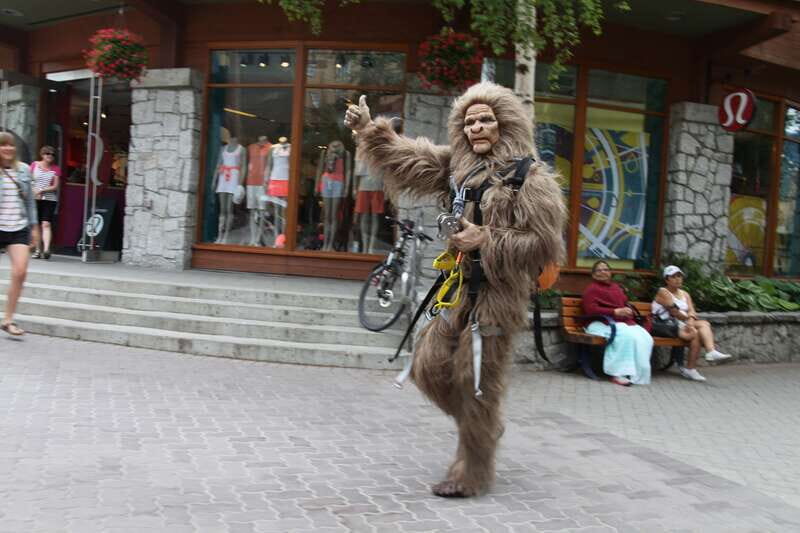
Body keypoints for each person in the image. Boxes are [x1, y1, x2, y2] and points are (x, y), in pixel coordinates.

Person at [344, 83, 566, 497]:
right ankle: (482, 425)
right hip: (457, 285)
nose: (477, 128)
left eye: (486, 120)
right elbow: (408, 157)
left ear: (505, 124)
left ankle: (472, 472)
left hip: (500, 294)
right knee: (427, 368)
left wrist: (487, 239)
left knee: (475, 378)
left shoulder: (531, 179)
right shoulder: (456, 169)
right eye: (469, 122)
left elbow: (544, 244)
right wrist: (368, 130)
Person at [652, 265, 732, 382]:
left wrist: (689, 320)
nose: (678, 279)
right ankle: (703, 358)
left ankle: (703, 358)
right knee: (700, 328)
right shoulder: (663, 292)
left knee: (701, 328)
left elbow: (692, 310)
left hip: (681, 324)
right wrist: (688, 320)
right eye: (674, 277)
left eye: (679, 276)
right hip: (665, 325)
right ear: (666, 279)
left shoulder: (685, 294)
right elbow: (674, 311)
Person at [582, 260, 653, 386]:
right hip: (599, 322)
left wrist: (627, 310)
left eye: (606, 269)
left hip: (620, 322)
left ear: (610, 273)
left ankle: (636, 372)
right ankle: (617, 373)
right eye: (599, 270)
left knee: (645, 337)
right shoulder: (591, 289)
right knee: (626, 336)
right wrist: (614, 312)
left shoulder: (616, 288)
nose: (603, 272)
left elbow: (624, 303)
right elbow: (590, 310)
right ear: (593, 275)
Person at [0, 132, 40, 336]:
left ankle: (8, 319)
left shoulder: (24, 170)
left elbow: (30, 202)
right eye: (3, 145)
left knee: (20, 271)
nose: (8, 148)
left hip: (18, 227)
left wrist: (34, 227)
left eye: (11, 145)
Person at [30, 145, 61, 259]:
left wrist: (42, 190)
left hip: (49, 199)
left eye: (52, 154)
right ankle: (38, 250)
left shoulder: (56, 169)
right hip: (35, 198)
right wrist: (34, 191)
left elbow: (55, 186)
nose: (50, 156)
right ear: (42, 154)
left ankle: (47, 249)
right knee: (36, 225)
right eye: (48, 154)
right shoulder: (34, 165)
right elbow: (28, 180)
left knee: (46, 223)